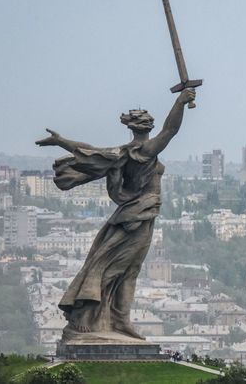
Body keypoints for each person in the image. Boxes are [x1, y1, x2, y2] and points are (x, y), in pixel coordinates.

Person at [36, 88, 196, 340]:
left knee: (128, 270)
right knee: (114, 267)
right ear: (146, 127)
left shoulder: (124, 152)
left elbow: (89, 150)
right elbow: (170, 131)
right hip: (137, 216)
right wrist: (179, 102)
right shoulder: (143, 152)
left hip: (140, 215)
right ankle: (87, 318)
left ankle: (120, 321)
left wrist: (61, 141)